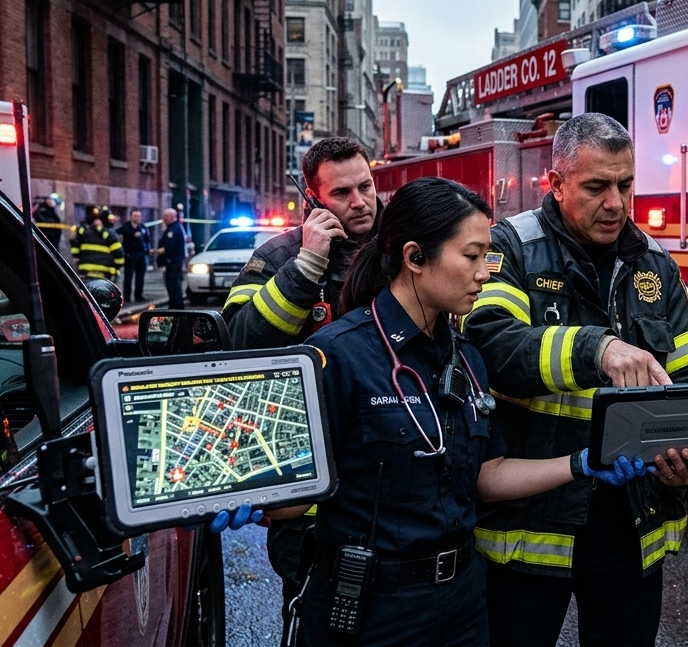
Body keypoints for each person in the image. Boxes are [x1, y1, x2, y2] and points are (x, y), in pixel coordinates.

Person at [268, 177, 652, 647]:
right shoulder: (338, 356)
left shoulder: (466, 358)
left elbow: (486, 475)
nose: (486, 273)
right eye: (471, 256)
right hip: (372, 609)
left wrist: (583, 463)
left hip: (463, 605)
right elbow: (287, 497)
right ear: (414, 257)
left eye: (488, 256)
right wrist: (242, 497)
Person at [463, 113, 688, 647]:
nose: (616, 204)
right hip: (531, 522)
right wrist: (595, 347)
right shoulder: (510, 247)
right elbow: (493, 344)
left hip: (631, 521)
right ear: (555, 185)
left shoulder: (653, 264)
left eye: (625, 185)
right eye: (597, 186)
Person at [221, 136, 382, 634]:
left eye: (366, 186)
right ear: (312, 202)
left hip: (389, 483)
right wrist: (306, 267)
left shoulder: (403, 247)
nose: (359, 202)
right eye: (341, 194)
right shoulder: (279, 256)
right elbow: (241, 345)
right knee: (316, 620)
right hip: (310, 504)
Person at [70, 205, 124, 281]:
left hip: (85, 271)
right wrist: (117, 268)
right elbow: (119, 253)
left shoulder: (83, 231)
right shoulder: (110, 234)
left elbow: (74, 243)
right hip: (105, 272)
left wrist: (76, 257)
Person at [155, 208, 187, 308]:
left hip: (174, 262)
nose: (164, 218)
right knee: (170, 285)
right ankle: (173, 304)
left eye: (167, 216)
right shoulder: (171, 228)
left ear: (173, 216)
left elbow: (170, 246)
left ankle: (177, 306)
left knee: (174, 285)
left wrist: (159, 251)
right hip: (171, 263)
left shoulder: (174, 229)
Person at [117, 210, 151, 302]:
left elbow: (147, 240)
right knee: (128, 276)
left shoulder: (142, 227)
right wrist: (132, 234)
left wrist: (147, 250)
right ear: (131, 216)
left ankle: (138, 295)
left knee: (140, 276)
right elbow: (117, 233)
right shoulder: (126, 226)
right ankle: (127, 296)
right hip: (130, 254)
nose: (137, 218)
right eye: (135, 216)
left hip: (141, 254)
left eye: (139, 216)